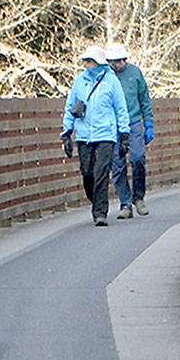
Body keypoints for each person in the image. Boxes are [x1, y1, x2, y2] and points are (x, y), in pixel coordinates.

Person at [61, 45, 130, 226]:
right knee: (87, 173)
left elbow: (121, 108)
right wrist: (67, 133)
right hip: (84, 134)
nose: (87, 65)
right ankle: (96, 200)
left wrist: (124, 134)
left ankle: (100, 212)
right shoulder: (79, 81)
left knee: (101, 172)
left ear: (99, 62)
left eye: (90, 61)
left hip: (106, 134)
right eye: (86, 61)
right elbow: (70, 107)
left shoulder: (111, 81)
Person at [104, 43, 154, 218]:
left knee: (138, 157)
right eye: (114, 61)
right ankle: (125, 203)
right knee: (117, 165)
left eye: (121, 60)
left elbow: (144, 98)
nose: (119, 64)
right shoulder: (106, 76)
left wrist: (148, 122)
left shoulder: (135, 73)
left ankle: (138, 197)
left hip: (133, 121)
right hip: (113, 125)